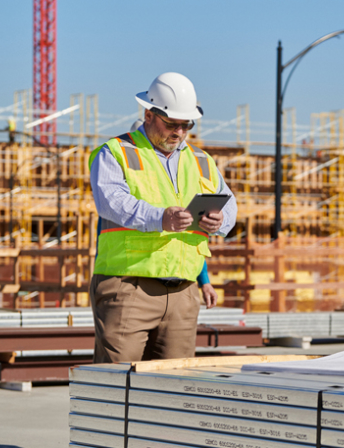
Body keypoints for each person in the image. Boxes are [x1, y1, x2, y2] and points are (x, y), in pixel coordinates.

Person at [89, 72, 236, 363]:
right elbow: (111, 202)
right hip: (129, 285)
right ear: (148, 114)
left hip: (183, 292)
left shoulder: (202, 161)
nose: (180, 132)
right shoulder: (116, 153)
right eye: (172, 124)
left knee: (173, 387)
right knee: (117, 384)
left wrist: (220, 222)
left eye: (186, 125)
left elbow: (229, 204)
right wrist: (160, 218)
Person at [129, 118, 219, 310]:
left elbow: (188, 242)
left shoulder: (173, 184)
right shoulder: (125, 187)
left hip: (177, 285)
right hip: (133, 283)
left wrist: (205, 282)